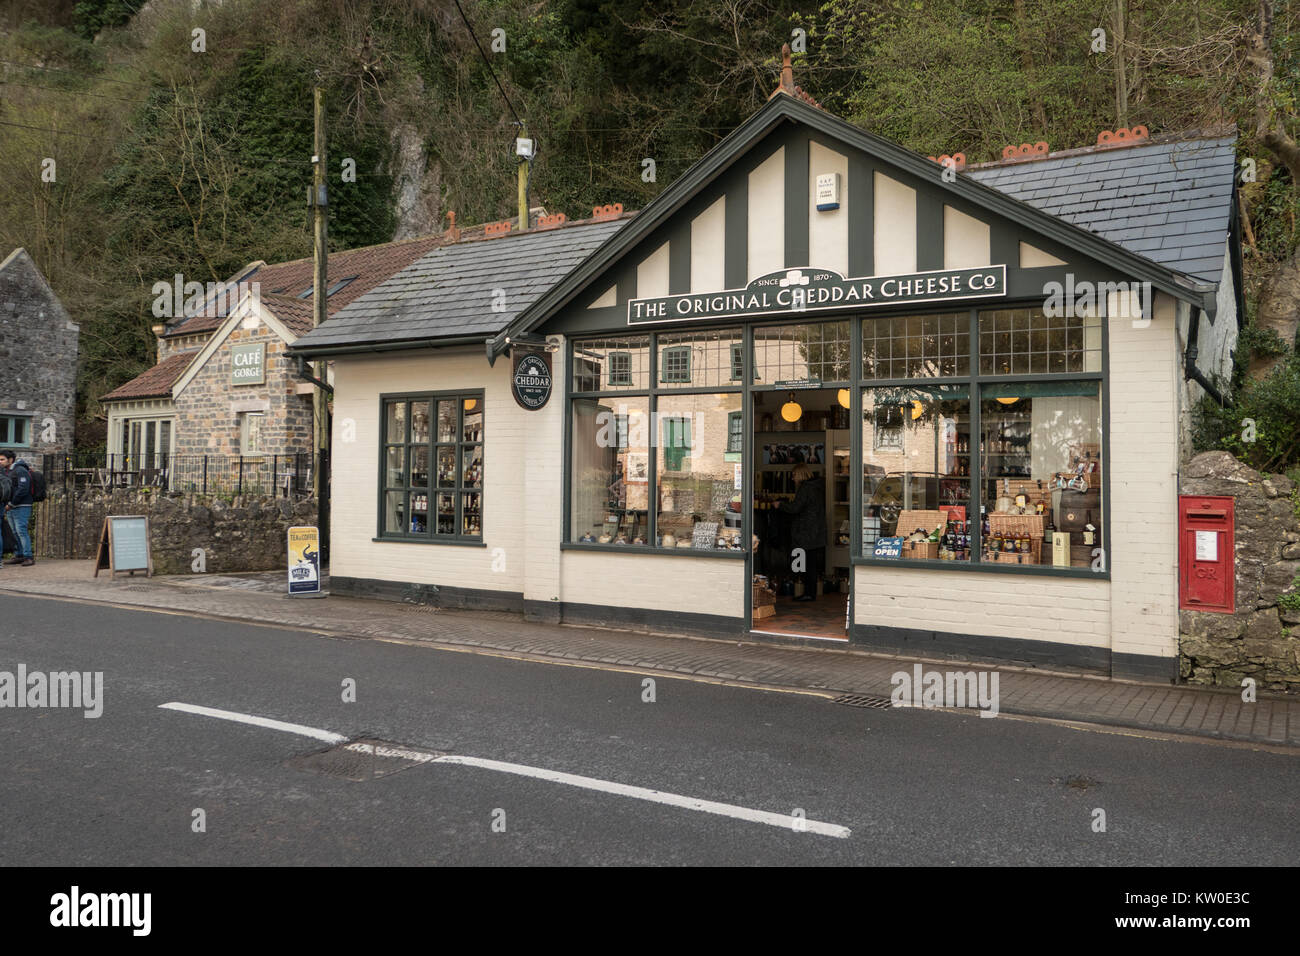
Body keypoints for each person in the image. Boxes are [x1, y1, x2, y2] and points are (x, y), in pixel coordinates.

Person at [779, 463, 825, 601]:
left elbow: (795, 508)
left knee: (805, 564)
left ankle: (808, 593)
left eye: (793, 475)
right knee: (811, 563)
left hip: (806, 531)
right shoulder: (816, 487)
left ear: (799, 474)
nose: (792, 479)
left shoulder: (805, 488)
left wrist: (780, 505)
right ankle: (810, 592)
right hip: (815, 530)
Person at [0, 450, 34, 566]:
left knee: (21, 531)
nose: (0, 462)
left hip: (22, 505)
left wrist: (12, 503)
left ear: (11, 460)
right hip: (10, 505)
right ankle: (19, 555)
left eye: (2, 459)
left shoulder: (20, 470)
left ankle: (28, 556)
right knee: (14, 531)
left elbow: (23, 489)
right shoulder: (7, 471)